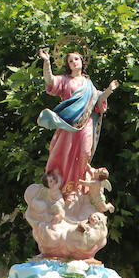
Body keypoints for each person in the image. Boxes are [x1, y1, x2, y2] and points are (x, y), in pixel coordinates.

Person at [38, 48, 118, 194]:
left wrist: (109, 91)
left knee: (84, 152)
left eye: (76, 59)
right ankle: (65, 189)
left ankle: (79, 187)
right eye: (70, 61)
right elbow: (50, 80)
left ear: (82, 61)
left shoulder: (89, 84)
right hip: (68, 125)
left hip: (85, 123)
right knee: (65, 154)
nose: (74, 62)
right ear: (68, 65)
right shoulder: (64, 80)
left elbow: (97, 103)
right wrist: (46, 62)